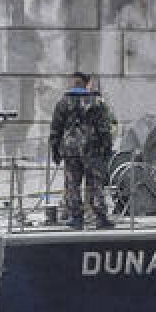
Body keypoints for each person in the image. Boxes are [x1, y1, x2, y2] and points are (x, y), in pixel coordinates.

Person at [49, 71, 115, 230]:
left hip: (70, 149)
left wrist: (55, 150)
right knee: (95, 183)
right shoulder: (97, 103)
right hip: (92, 149)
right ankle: (100, 217)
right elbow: (104, 129)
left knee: (72, 183)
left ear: (73, 83)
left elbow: (55, 129)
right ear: (87, 83)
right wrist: (107, 149)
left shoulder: (63, 103)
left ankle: (76, 218)